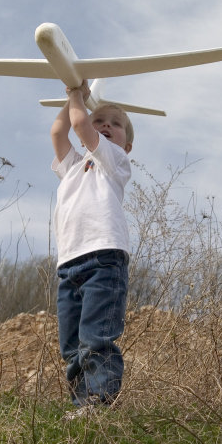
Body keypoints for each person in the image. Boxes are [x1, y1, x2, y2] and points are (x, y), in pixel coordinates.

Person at [50, 79, 133, 413]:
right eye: (101, 121)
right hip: (70, 264)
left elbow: (79, 124)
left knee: (96, 337)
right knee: (72, 345)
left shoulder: (114, 160)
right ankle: (82, 404)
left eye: (116, 124)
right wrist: (76, 98)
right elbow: (59, 131)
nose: (106, 125)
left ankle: (101, 400)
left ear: (126, 145)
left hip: (104, 259)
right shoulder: (73, 166)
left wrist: (76, 96)